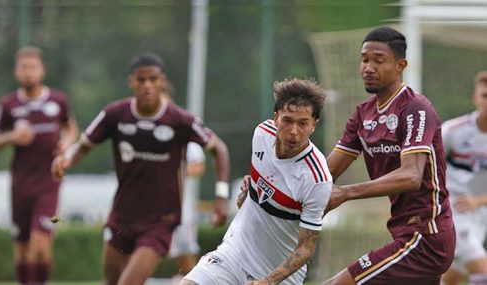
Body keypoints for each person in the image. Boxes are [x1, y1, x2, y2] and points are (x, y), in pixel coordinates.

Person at [51, 52, 230, 285]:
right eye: (141, 80)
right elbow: (84, 145)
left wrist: (221, 195)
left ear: (162, 81)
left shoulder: (179, 120)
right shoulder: (115, 114)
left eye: (153, 79)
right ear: (131, 82)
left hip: (160, 221)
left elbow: (219, 150)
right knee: (111, 282)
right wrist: (66, 160)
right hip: (122, 216)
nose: (147, 85)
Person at [321, 26, 455, 285]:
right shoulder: (363, 113)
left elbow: (411, 176)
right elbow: (326, 173)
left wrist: (347, 192)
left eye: (378, 60)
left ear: (400, 65)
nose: (368, 67)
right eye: (364, 60)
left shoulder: (416, 109)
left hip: (425, 237)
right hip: (404, 232)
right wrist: (264, 185)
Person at [180, 78, 332, 285]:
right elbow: (266, 179)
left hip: (279, 276)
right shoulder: (262, 134)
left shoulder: (317, 178)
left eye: (303, 123)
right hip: (235, 254)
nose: (294, 131)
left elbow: (306, 249)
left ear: (314, 125)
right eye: (287, 120)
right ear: (276, 117)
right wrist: (250, 191)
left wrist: (268, 281)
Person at [0, 46, 78, 285]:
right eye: (23, 67)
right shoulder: (8, 104)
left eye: (32, 67)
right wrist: (11, 137)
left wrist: (66, 143)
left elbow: (70, 127)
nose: (28, 72)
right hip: (20, 184)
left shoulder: (58, 100)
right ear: (16, 72)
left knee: (41, 241)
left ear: (42, 70)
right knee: (21, 247)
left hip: (50, 183)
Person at [441, 71, 487, 285]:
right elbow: (427, 169)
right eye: (485, 95)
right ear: (475, 97)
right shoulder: (452, 131)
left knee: (451, 278)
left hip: (479, 214)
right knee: (483, 271)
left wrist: (478, 201)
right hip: (453, 211)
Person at [169, 141, 206, 275]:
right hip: (159, 208)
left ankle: (196, 280)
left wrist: (170, 169)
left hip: (183, 211)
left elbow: (199, 167)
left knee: (185, 253)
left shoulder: (190, 143)